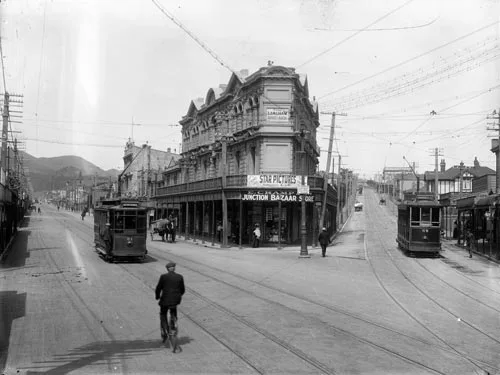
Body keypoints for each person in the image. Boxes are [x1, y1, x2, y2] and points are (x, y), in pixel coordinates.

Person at [155, 262, 185, 334]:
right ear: (174, 268)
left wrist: (157, 296)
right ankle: (173, 322)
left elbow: (158, 288)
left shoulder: (163, 277)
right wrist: (178, 296)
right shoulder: (180, 276)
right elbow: (182, 290)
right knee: (173, 309)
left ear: (167, 269)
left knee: (163, 313)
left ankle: (165, 330)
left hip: (165, 299)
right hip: (176, 299)